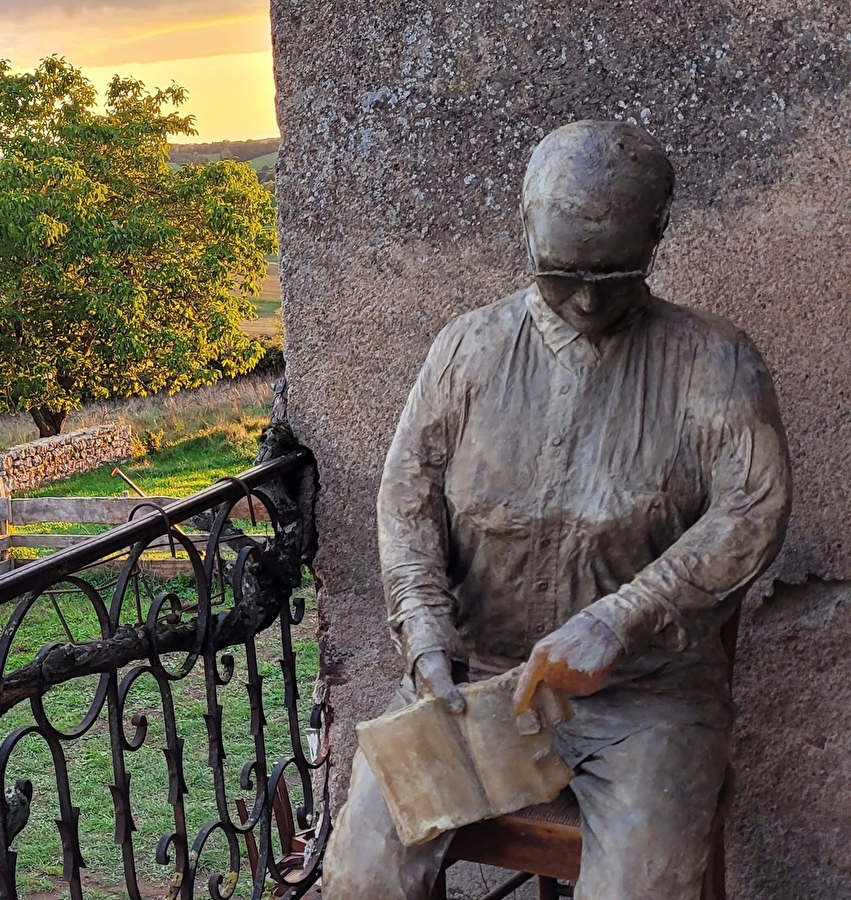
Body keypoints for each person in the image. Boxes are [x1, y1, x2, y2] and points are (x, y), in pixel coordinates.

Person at [321, 120, 791, 899]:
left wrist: (622, 617)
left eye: (610, 276)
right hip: (475, 688)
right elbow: (406, 503)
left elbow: (753, 509)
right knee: (362, 878)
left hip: (647, 700)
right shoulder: (466, 350)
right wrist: (426, 635)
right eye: (558, 272)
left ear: (657, 235)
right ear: (526, 231)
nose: (581, 298)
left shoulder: (715, 359)